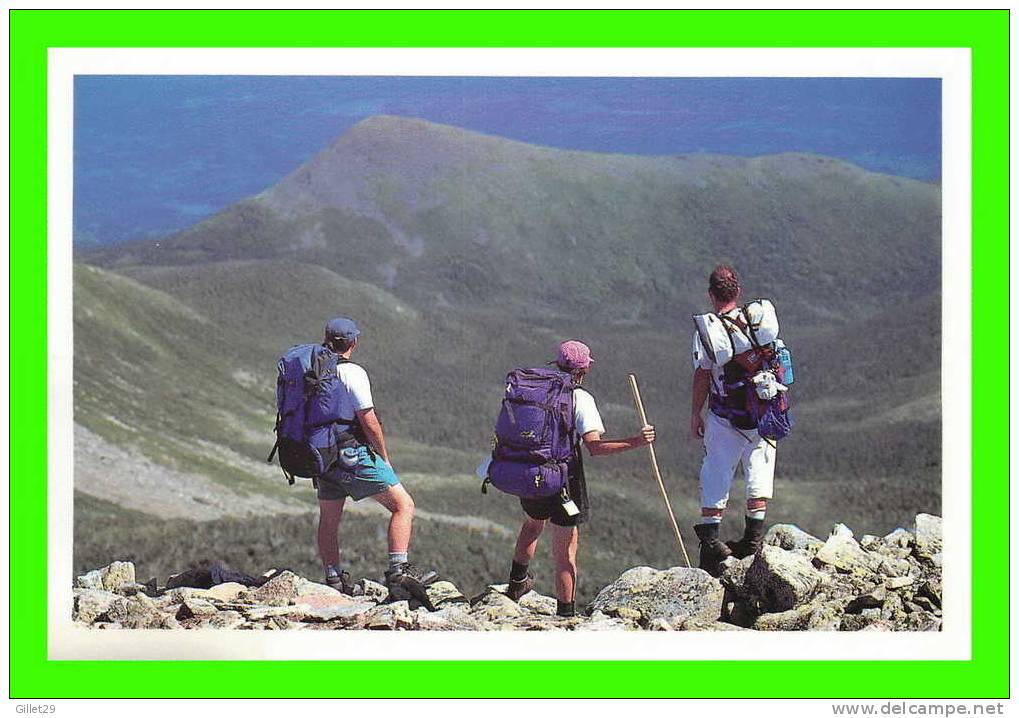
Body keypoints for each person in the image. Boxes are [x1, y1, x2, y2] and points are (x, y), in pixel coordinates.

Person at [504, 340, 656, 617]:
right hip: (565, 480)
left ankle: (515, 585)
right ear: (583, 370)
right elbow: (595, 447)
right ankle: (566, 613)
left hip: (531, 472)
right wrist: (638, 441)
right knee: (566, 548)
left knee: (532, 524)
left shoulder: (534, 389)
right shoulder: (580, 398)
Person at [314, 316, 437, 598]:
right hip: (351, 453)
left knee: (329, 519)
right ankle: (398, 573)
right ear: (353, 342)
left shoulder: (313, 369)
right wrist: (383, 457)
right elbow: (368, 420)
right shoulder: (353, 373)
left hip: (321, 456)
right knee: (403, 505)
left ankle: (333, 578)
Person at [690, 265, 777, 576]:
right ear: (738, 292)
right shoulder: (760, 322)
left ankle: (712, 544)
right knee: (760, 469)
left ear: (712, 295)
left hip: (725, 416)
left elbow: (702, 375)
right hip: (763, 411)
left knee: (716, 470)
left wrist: (695, 413)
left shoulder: (710, 332)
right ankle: (753, 541)